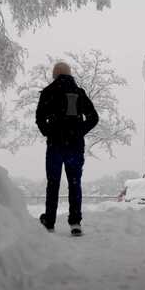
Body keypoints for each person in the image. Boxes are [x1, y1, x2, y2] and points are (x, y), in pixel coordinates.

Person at [36, 62, 99, 236]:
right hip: (75, 147)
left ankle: (49, 221)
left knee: (53, 183)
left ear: (55, 75)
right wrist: (79, 131)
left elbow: (39, 118)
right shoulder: (79, 93)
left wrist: (49, 132)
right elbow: (94, 117)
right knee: (74, 183)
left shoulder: (48, 93)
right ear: (70, 74)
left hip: (55, 146)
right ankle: (75, 223)